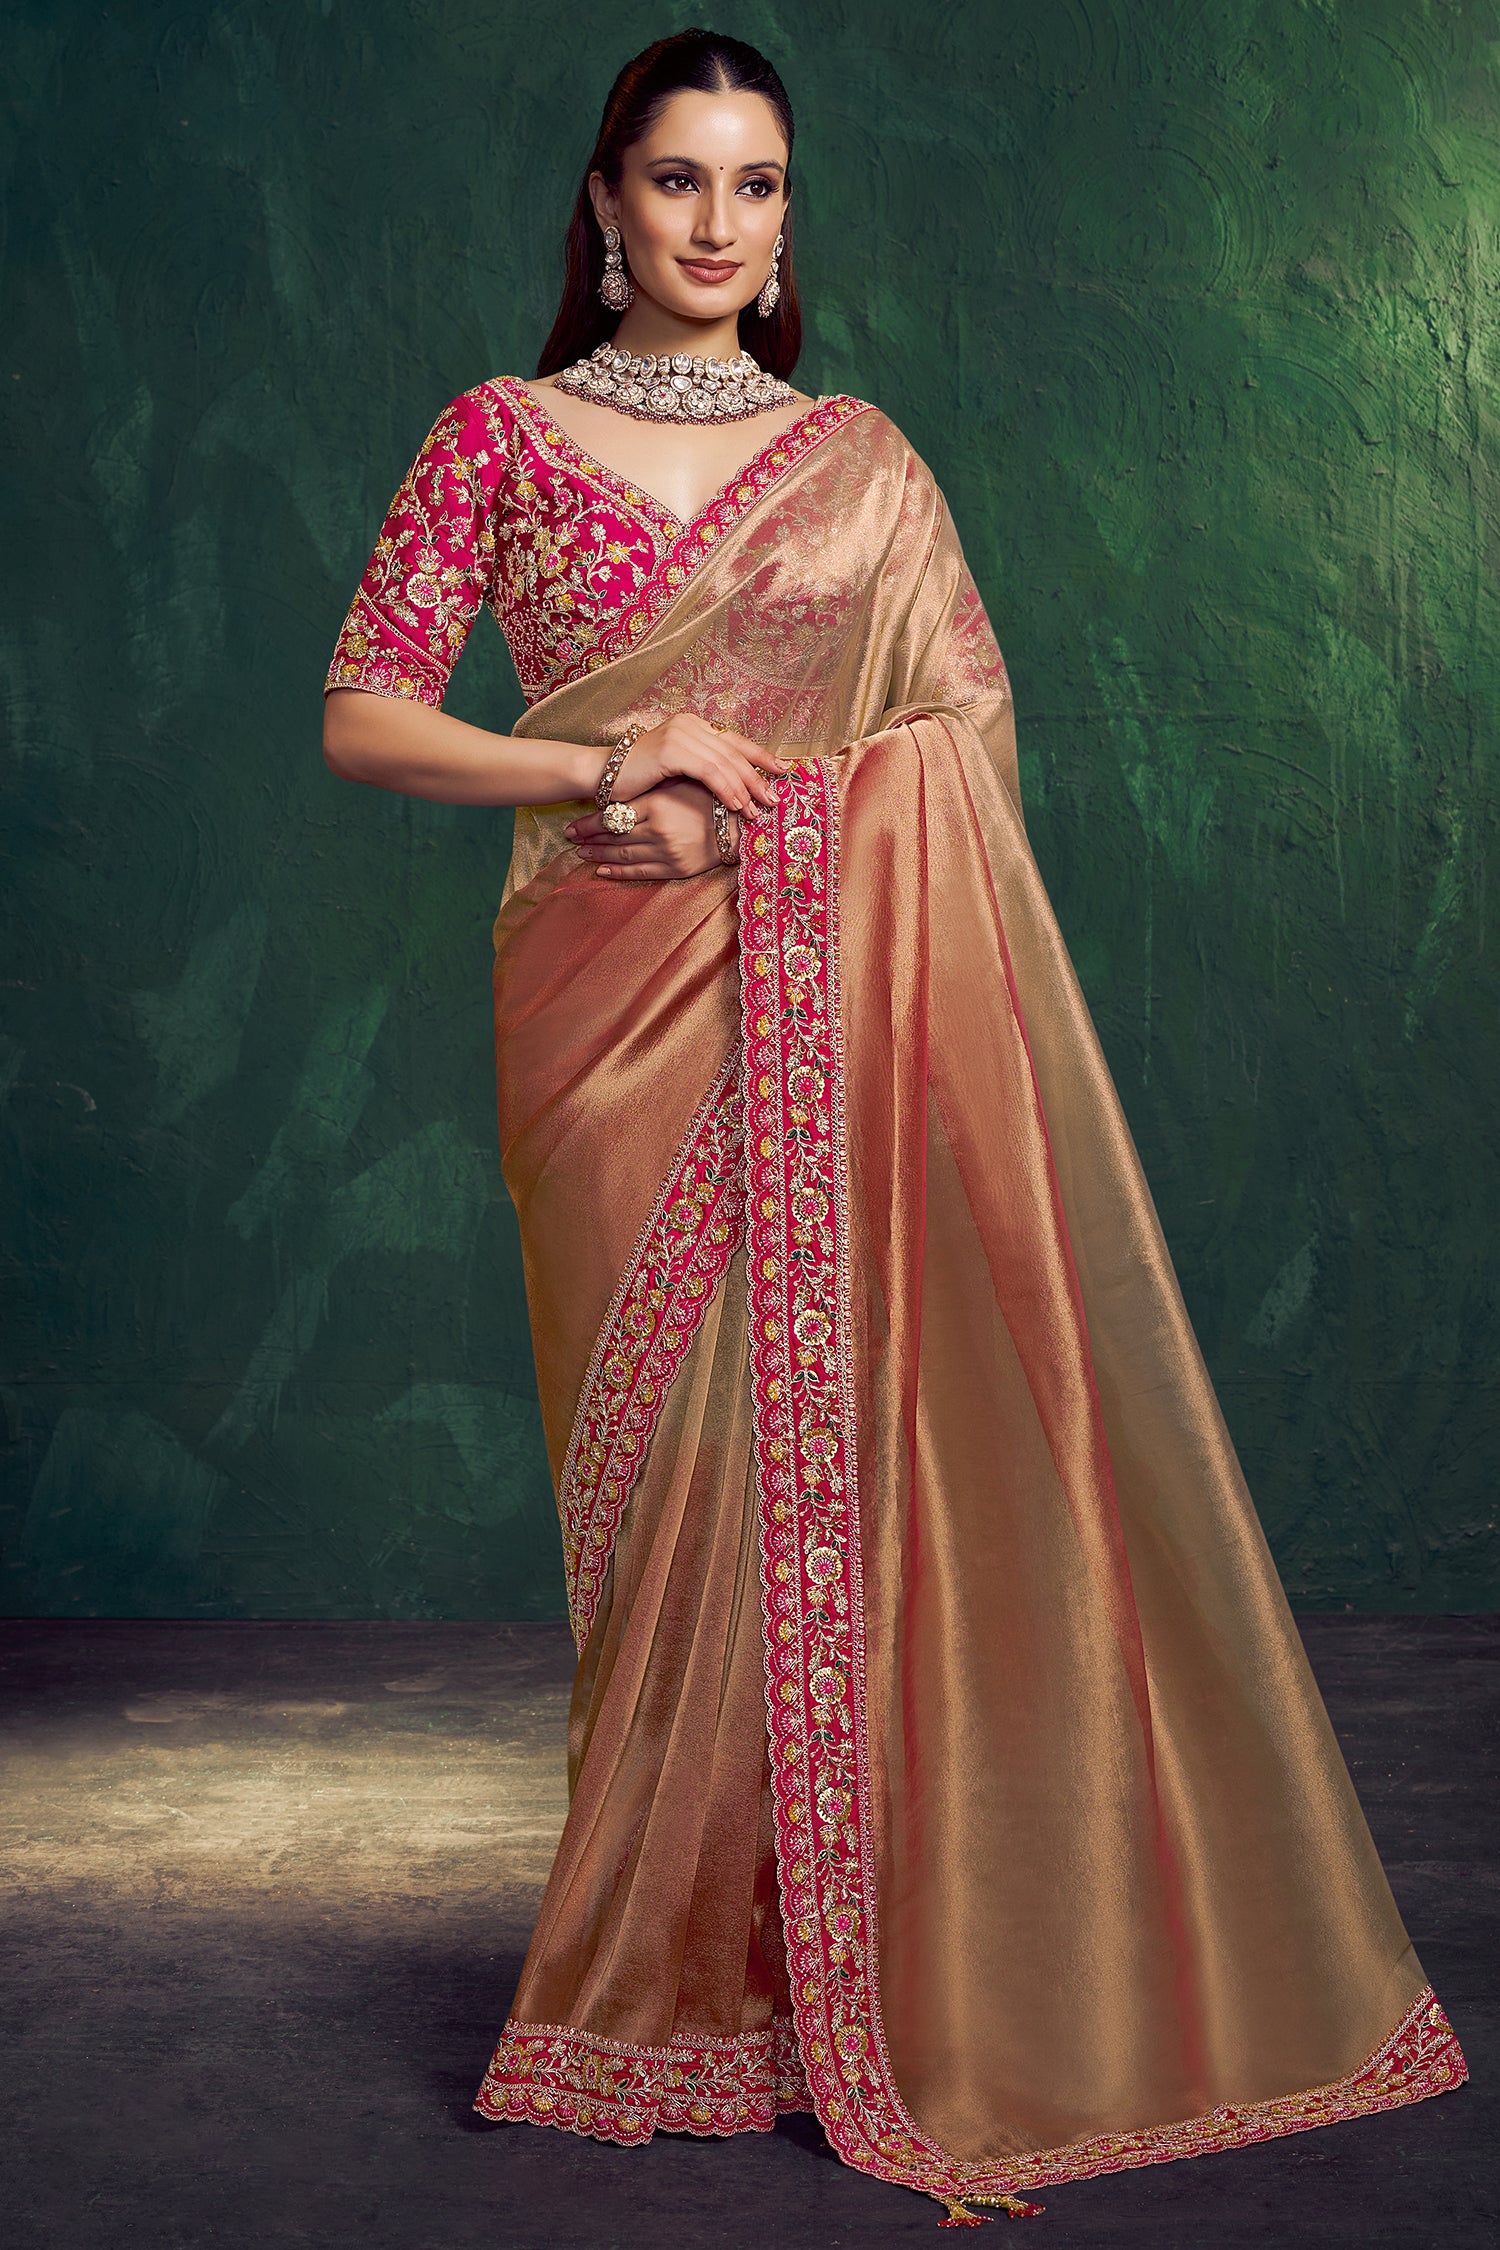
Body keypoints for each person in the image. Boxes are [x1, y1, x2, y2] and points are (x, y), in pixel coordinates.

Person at [321, 28, 1466, 2228]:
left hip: (836, 997)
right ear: (603, 201)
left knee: (837, 1469)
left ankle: (839, 1962)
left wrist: (786, 823)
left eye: (756, 185)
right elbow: (368, 714)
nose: (716, 224)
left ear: (787, 216)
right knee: (670, 1501)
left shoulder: (861, 462)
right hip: (607, 1017)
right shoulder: (497, 435)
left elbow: (963, 735)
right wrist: (609, 763)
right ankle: (674, 1979)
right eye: (676, 179)